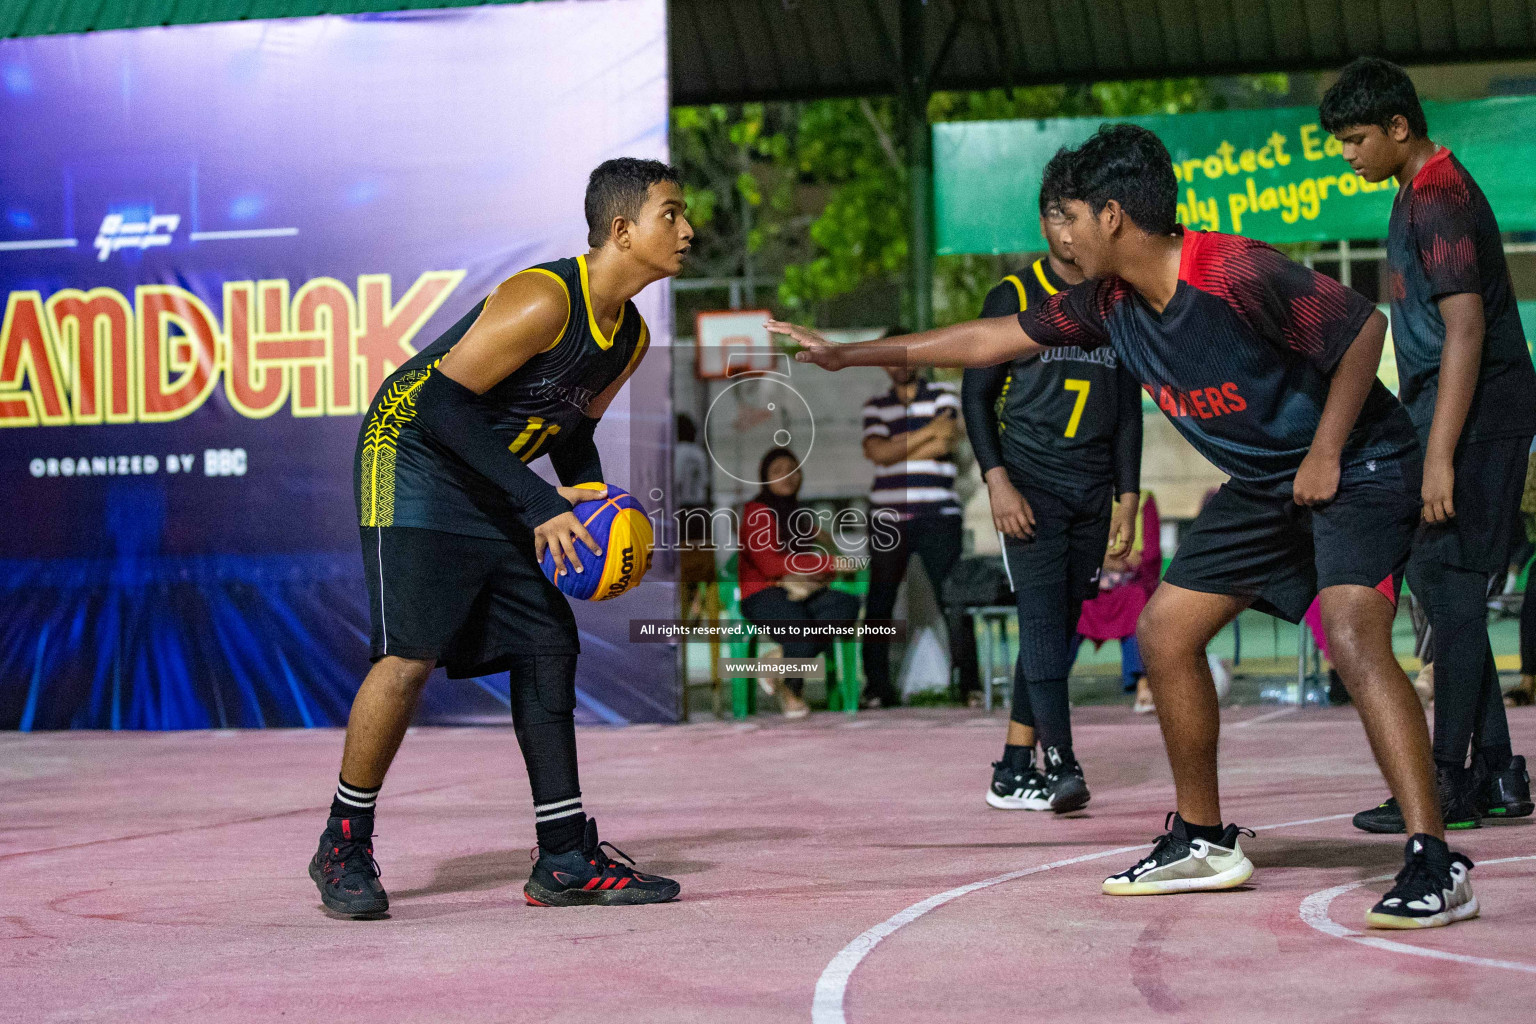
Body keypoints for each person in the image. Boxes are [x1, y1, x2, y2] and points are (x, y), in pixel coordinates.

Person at [772, 123, 1478, 929]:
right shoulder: (1107, 304)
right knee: (1165, 633)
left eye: (1067, 216)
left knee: (1353, 634)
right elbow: (987, 340)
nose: (1058, 234)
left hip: (1358, 461)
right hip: (1263, 483)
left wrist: (1323, 450)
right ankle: (1204, 839)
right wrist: (850, 355)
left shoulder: (1234, 269)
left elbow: (1362, 331)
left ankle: (1435, 857)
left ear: (1111, 216)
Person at [312, 158, 690, 917]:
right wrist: (540, 502)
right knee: (408, 657)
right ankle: (343, 844)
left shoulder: (631, 335)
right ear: (622, 231)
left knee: (546, 645)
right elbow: (441, 408)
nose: (689, 230)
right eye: (671, 214)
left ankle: (564, 859)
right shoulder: (546, 298)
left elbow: (572, 434)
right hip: (411, 455)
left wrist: (591, 500)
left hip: (494, 476)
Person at [1322, 57, 1536, 831]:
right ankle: (1502, 773)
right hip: (1452, 414)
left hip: (1478, 416)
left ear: (1400, 128)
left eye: (1355, 139)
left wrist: (1439, 453)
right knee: (1445, 589)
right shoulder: (1416, 193)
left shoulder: (1439, 196)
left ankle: (1449, 783)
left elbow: (1467, 327)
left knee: (1449, 585)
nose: (1348, 154)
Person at [963, 157, 1142, 813]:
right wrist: (997, 482)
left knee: (1057, 630)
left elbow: (1128, 410)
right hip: (1031, 485)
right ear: (1046, 223)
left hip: (1092, 492)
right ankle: (1061, 763)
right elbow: (975, 397)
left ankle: (1013, 766)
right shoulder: (1014, 297)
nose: (1070, 234)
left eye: (1080, 217)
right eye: (1058, 218)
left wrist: (1129, 496)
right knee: (1041, 625)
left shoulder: (1116, 301)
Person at [860, 348, 978, 708]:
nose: (898, 366)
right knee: (879, 602)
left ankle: (969, 684)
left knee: (955, 598)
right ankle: (877, 688)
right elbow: (878, 455)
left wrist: (897, 448)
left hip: (938, 515)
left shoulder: (943, 395)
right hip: (887, 518)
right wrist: (926, 435)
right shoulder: (875, 406)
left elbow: (946, 440)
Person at [739, 447, 861, 717]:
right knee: (801, 629)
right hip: (764, 594)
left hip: (800, 593)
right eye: (777, 471)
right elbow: (770, 564)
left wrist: (827, 562)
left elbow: (806, 565)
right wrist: (828, 563)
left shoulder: (800, 517)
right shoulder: (756, 511)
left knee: (846, 605)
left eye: (793, 469)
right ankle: (792, 691)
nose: (787, 476)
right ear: (764, 478)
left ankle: (776, 660)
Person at [1074, 490, 1161, 714]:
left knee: (1136, 601)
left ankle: (1143, 686)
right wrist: (1111, 558)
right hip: (1092, 582)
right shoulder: (1087, 496)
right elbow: (1079, 549)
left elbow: (1145, 557)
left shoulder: (1143, 501)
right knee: (1072, 606)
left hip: (1129, 585)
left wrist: (1105, 557)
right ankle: (1051, 687)